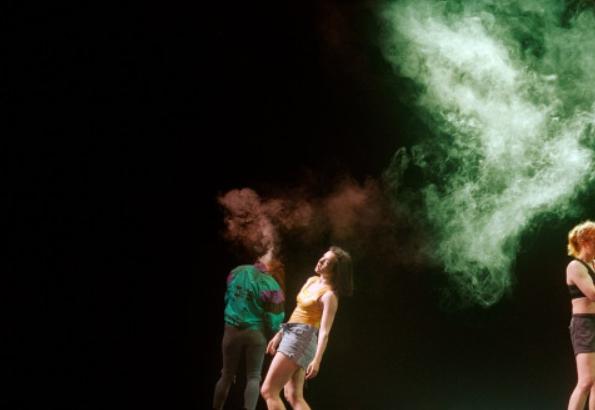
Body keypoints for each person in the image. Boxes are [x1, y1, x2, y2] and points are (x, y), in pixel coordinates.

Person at [261, 246, 353, 410]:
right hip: (293, 334)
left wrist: (317, 360)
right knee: (293, 396)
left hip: (302, 338)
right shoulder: (312, 281)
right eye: (323, 257)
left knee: (269, 391)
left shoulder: (329, 296)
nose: (321, 261)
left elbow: (324, 332)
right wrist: (280, 334)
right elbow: (298, 312)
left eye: (327, 261)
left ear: (335, 271)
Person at [213, 249, 286, 410]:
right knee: (253, 377)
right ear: (272, 267)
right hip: (256, 334)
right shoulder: (272, 285)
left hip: (231, 330)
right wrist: (271, 330)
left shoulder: (237, 271)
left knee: (226, 375)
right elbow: (275, 318)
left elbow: (228, 296)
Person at [566, 221, 595, 410]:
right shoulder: (575, 266)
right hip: (584, 324)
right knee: (586, 381)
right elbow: (593, 294)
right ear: (584, 241)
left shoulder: (594, 264)